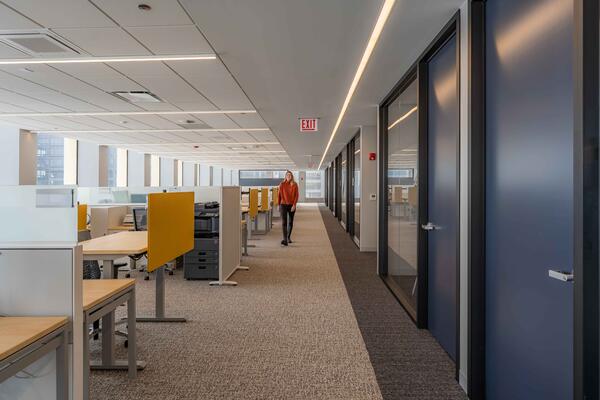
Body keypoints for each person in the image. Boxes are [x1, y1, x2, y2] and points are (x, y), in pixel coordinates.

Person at [278, 170, 299, 246]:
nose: (288, 176)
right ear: (285, 176)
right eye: (287, 175)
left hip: (291, 205)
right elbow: (279, 195)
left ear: (292, 176)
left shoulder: (295, 185)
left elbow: (296, 196)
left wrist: (294, 205)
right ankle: (285, 239)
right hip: (283, 204)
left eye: (290, 175)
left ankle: (288, 237)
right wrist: (278, 205)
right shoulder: (282, 184)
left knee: (290, 222)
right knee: (284, 222)